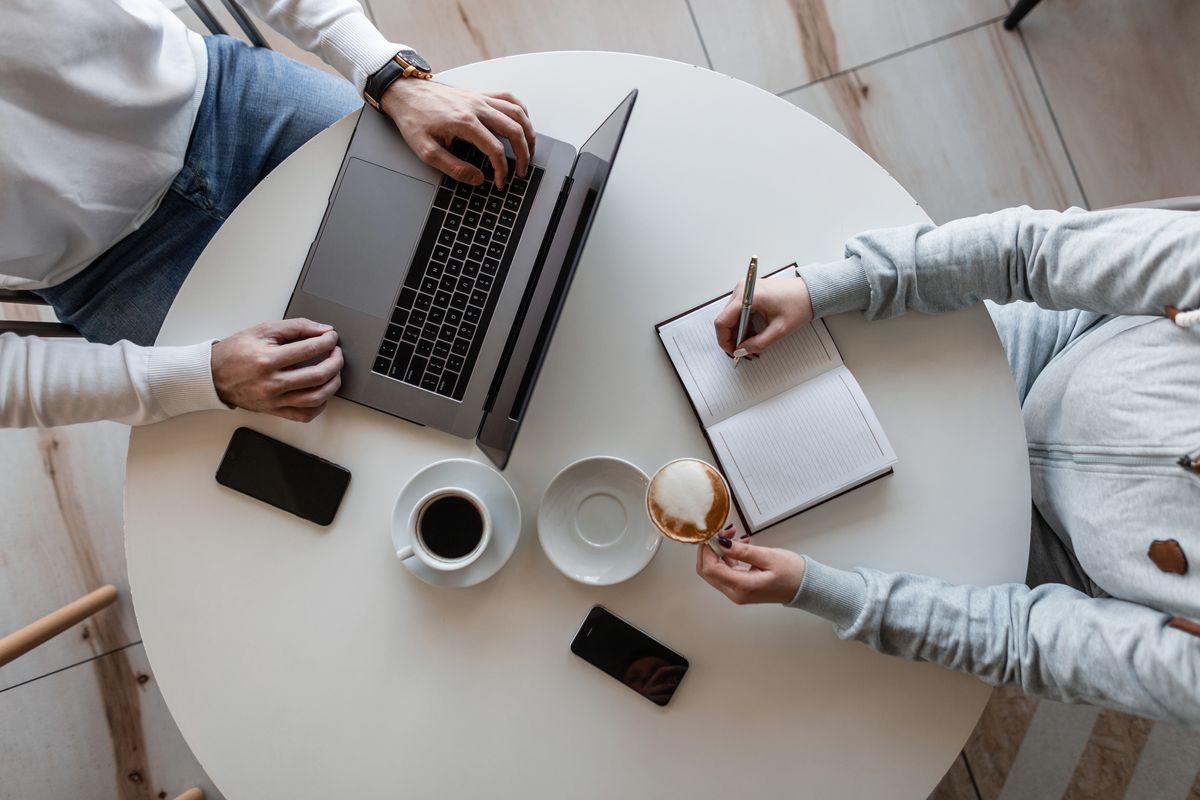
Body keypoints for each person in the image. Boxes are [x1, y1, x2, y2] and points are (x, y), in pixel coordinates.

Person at [697, 205, 1200, 728]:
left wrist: (824, 592)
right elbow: (1029, 254)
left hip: (1032, 544)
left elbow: (1029, 643)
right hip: (1033, 354)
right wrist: (831, 287)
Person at [0, 0, 534, 427]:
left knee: (502, 221)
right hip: (108, 276)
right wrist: (202, 376)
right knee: (372, 418)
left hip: (226, 102)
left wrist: (385, 73)